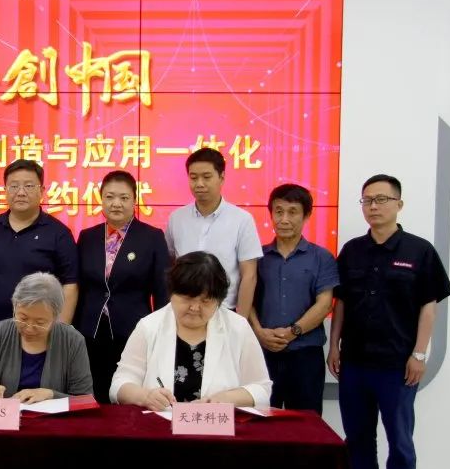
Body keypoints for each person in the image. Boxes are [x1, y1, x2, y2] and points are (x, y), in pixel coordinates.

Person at [328, 174, 450, 469]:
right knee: (357, 436)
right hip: (355, 362)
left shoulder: (419, 251)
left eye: (382, 199)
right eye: (367, 200)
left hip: (397, 364)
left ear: (399, 204)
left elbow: (429, 306)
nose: (374, 206)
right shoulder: (352, 250)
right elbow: (341, 304)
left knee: (400, 438)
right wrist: (334, 345)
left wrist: (419, 353)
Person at [110, 252, 271, 409]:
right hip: (160, 424)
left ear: (219, 300)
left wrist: (225, 400)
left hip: (218, 425)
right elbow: (119, 385)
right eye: (187, 299)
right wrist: (145, 396)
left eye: (205, 301)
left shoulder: (238, 328)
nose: (194, 308)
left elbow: (261, 389)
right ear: (171, 293)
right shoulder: (149, 326)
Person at [75, 169, 169, 403]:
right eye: (109, 197)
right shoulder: (87, 236)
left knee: (127, 394)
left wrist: (163, 331)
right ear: (101, 199)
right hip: (90, 330)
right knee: (91, 394)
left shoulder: (152, 237)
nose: (116, 203)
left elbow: (162, 290)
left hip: (132, 329)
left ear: (134, 200)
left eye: (124, 197)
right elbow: (79, 286)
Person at [251, 183, 338, 414]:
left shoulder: (321, 257)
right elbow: (247, 300)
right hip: (262, 354)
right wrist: (259, 332)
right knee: (259, 422)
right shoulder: (257, 257)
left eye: (292, 212)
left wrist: (293, 332)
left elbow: (324, 304)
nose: (284, 219)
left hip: (305, 355)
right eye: (278, 212)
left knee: (305, 423)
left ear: (306, 215)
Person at [0, 272, 92, 403]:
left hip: (52, 422)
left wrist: (50, 395)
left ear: (55, 317)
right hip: (5, 420)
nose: (29, 328)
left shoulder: (72, 341)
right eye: (22, 318)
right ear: (14, 307)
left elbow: (85, 400)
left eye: (39, 323)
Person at [0, 159, 78, 334]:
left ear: (41, 191)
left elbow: (70, 285)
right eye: (14, 186)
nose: (21, 192)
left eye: (29, 186)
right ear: (5, 190)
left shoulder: (59, 233)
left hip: (38, 332)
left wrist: (60, 332)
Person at [165, 148, 262, 316]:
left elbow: (249, 275)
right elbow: (170, 263)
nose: (199, 184)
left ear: (222, 177)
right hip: (184, 311)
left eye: (206, 177)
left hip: (223, 310)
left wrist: (241, 321)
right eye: (193, 178)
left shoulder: (242, 219)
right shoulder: (176, 218)